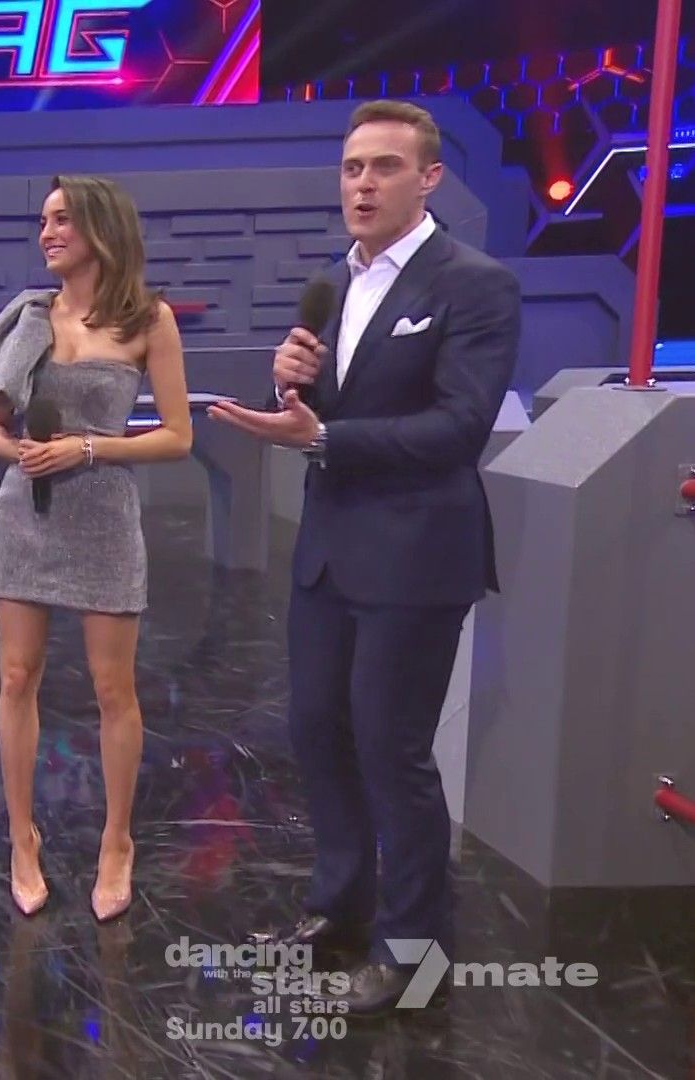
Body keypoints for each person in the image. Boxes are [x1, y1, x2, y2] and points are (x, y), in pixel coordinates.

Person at [209, 100, 521, 1014]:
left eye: (385, 166)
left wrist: (322, 439)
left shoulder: (476, 284)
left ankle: (413, 953)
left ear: (429, 179)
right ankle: (339, 910)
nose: (363, 184)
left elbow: (459, 427)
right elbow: (329, 413)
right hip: (330, 553)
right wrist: (292, 388)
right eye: (352, 168)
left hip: (417, 555)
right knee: (319, 733)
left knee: (392, 750)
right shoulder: (333, 284)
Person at [0, 175, 193, 921]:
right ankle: (20, 838)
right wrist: (18, 449)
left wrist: (88, 448)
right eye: (43, 221)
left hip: (104, 519)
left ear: (100, 226)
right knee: (16, 676)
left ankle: (117, 842)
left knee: (113, 688)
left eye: (62, 219)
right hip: (26, 515)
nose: (48, 233)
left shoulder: (149, 319)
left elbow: (178, 437)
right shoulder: (29, 317)